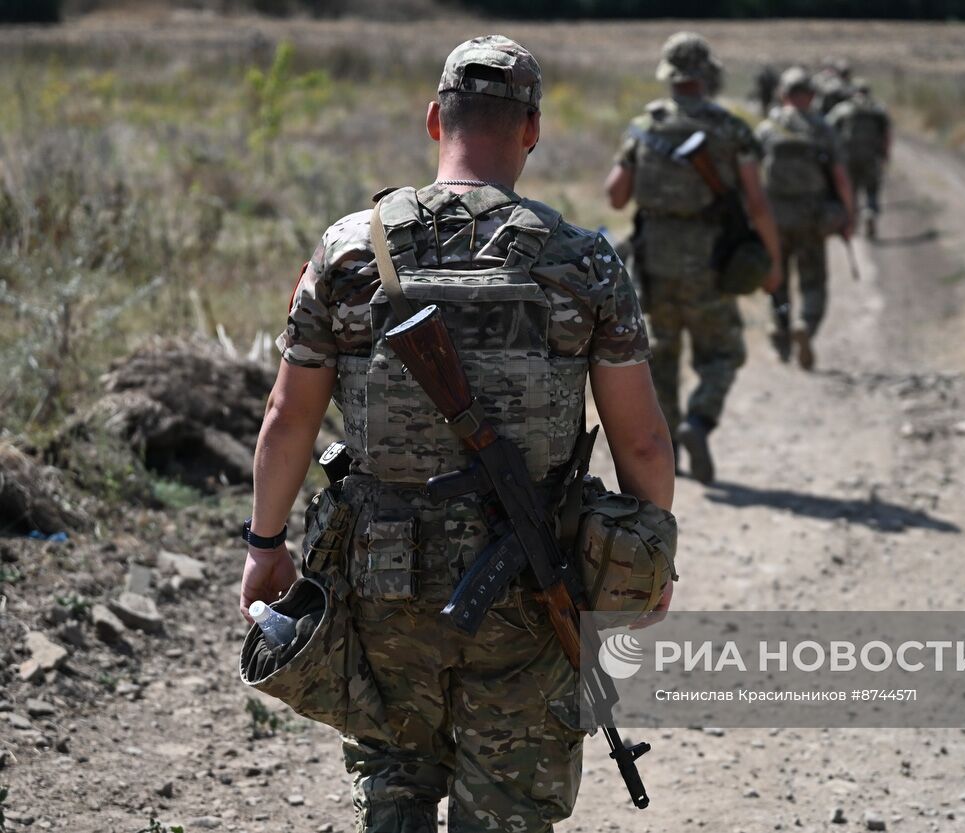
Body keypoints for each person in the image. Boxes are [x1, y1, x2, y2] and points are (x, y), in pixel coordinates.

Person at [239, 34, 675, 833]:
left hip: (382, 581)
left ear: (435, 120)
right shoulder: (583, 263)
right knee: (508, 808)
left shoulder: (346, 251)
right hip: (529, 590)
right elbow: (641, 441)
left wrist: (265, 542)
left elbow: (287, 416)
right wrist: (648, 557)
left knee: (396, 790)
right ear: (531, 131)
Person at [604, 31, 782, 485]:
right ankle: (698, 422)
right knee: (723, 352)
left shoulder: (645, 127)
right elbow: (758, 204)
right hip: (711, 264)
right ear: (707, 75)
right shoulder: (731, 129)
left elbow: (616, 197)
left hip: (653, 264)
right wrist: (774, 262)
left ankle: (668, 454)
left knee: (661, 354)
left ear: (669, 75)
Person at [756, 66, 856, 371]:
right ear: (812, 96)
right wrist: (848, 214)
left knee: (778, 279)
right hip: (812, 218)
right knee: (814, 281)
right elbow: (839, 176)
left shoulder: (766, 129)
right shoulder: (822, 128)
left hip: (775, 220)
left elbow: (749, 177)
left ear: (782, 95)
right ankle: (806, 325)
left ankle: (782, 331)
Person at [827, 77, 892, 240]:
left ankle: (852, 220)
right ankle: (870, 211)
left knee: (851, 190)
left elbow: (829, 129)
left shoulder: (843, 109)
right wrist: (885, 154)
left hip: (848, 157)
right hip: (871, 156)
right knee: (871, 188)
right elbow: (886, 135)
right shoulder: (877, 109)